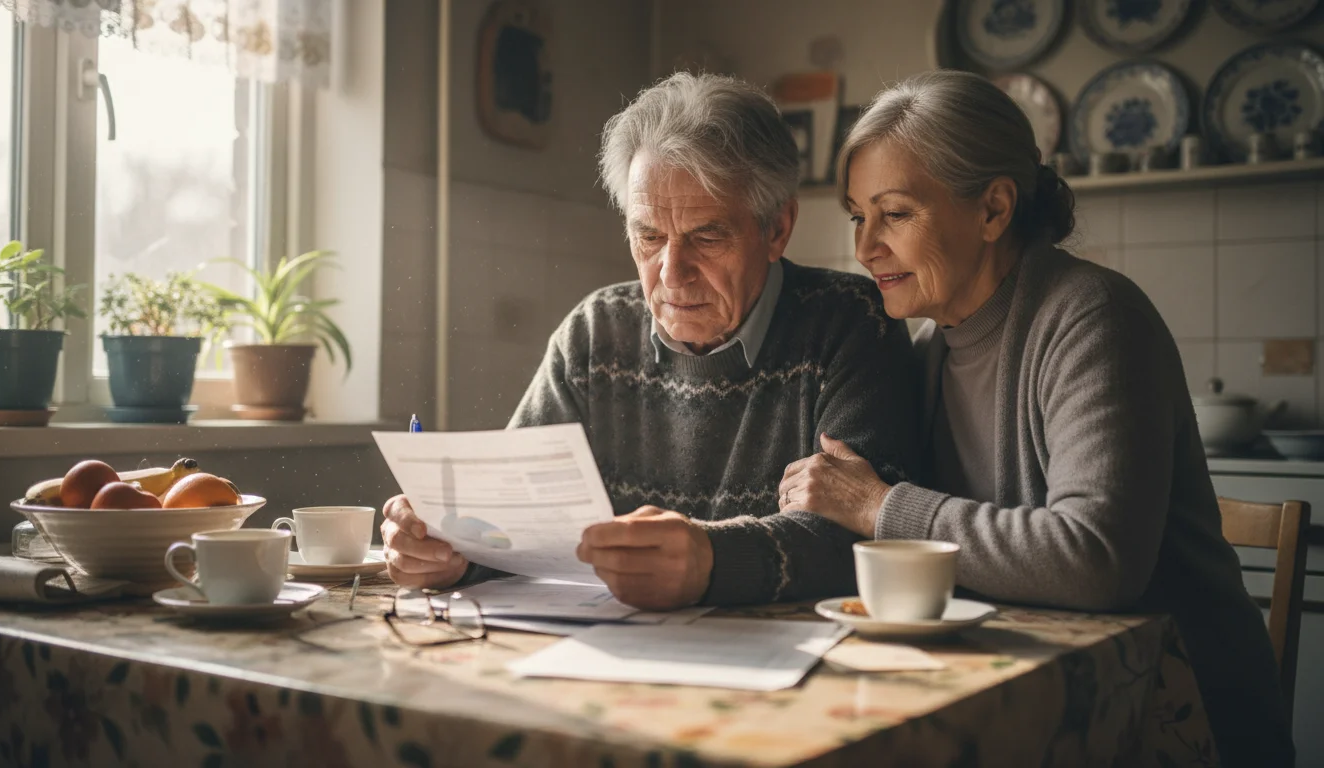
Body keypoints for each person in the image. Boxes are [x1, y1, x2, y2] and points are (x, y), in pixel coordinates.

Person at [776, 69, 1292, 766]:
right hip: (1025, 694)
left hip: (1172, 715)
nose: (866, 246)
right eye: (857, 216)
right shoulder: (927, 351)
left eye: (895, 213)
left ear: (993, 210)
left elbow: (1095, 562)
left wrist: (879, 506)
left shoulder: (1092, 317)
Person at [381, 72, 920, 611]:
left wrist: (711, 558)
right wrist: (448, 550)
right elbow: (511, 524)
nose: (672, 272)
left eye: (707, 236)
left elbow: (873, 536)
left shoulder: (852, 322)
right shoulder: (595, 334)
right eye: (649, 237)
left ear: (777, 229)